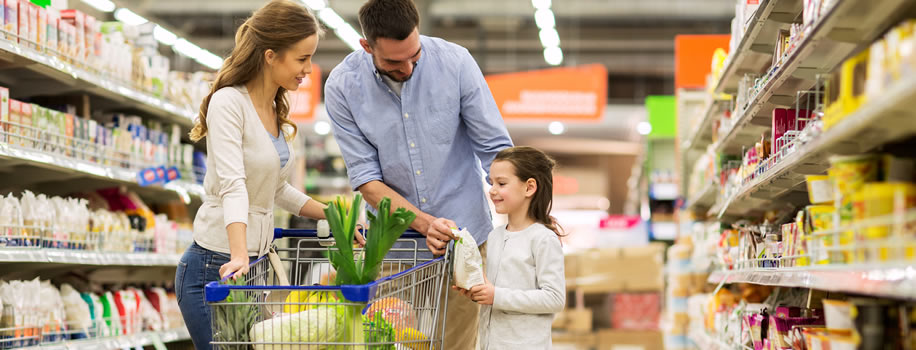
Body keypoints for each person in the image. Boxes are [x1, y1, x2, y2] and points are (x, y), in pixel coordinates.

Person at [324, 0, 513, 347]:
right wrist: (426, 224)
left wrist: (521, 211)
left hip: (464, 240)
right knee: (389, 343)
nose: (409, 68)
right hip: (395, 244)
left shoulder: (455, 63)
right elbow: (368, 181)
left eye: (415, 55)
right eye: (394, 62)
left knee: (456, 344)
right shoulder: (342, 87)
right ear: (367, 47)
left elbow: (495, 149)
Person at [176, 1, 330, 348]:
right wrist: (239, 253)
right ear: (271, 55)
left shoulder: (275, 108)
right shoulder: (229, 103)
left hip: (252, 267)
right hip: (215, 268)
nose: (308, 69)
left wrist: (331, 213)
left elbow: (277, 190)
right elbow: (234, 186)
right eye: (302, 58)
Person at [455, 146, 567, 349]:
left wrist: (496, 295)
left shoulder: (543, 239)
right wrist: (477, 291)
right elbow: (495, 291)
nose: (492, 190)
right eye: (491, 183)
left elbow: (554, 298)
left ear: (529, 187)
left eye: (501, 183)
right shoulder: (495, 236)